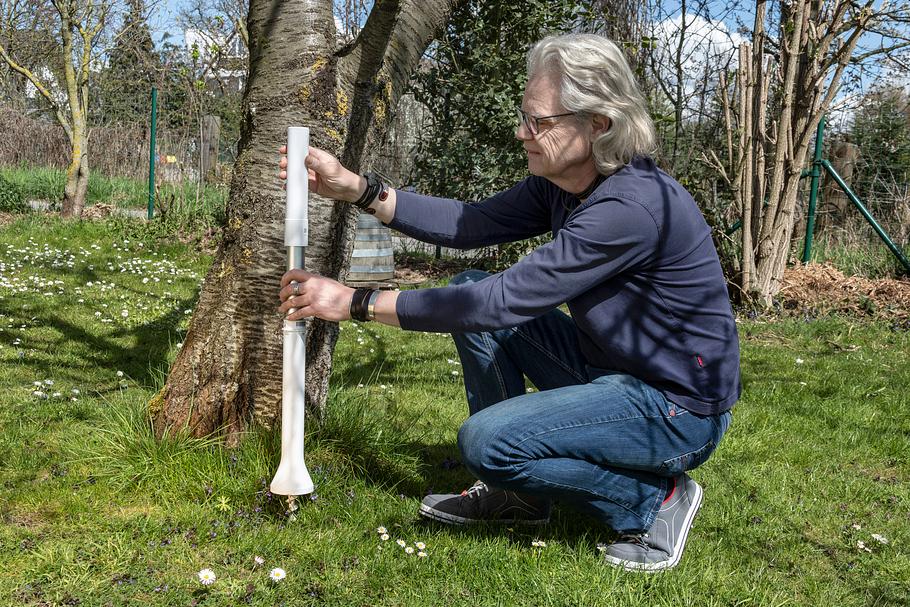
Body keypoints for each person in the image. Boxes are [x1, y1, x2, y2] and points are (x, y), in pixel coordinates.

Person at [277, 33, 739, 572]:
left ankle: (654, 500)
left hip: (676, 411)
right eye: (525, 116)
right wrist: (358, 189)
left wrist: (357, 302)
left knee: (487, 442)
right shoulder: (568, 183)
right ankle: (516, 495)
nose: (522, 132)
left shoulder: (629, 209)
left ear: (598, 123)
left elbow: (501, 301)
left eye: (538, 122)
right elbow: (473, 223)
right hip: (611, 373)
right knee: (470, 284)